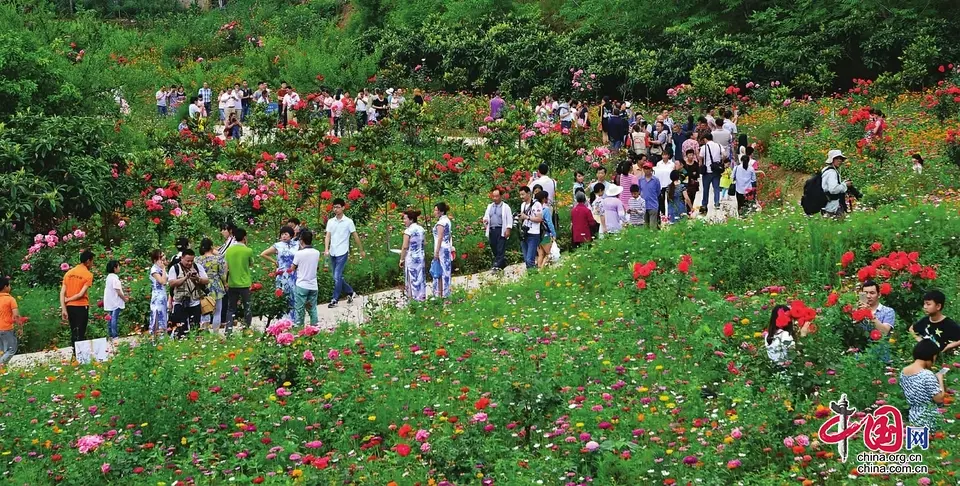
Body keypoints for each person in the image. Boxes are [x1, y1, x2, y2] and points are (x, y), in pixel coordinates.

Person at [324, 198, 366, 308]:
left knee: (337, 276)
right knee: (336, 276)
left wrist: (361, 249)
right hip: (333, 251)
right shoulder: (331, 221)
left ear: (343, 208)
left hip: (343, 251)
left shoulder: (348, 222)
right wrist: (326, 249)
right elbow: (328, 235)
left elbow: (355, 235)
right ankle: (351, 292)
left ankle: (335, 299)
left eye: (338, 207)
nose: (336, 209)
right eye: (334, 207)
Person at [900, 339, 947, 430]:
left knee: (918, 443)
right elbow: (939, 399)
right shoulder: (926, 374)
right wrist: (940, 378)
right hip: (929, 418)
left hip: (914, 416)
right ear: (931, 356)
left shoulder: (904, 372)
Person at [168, 249, 209, 339]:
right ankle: (182, 341)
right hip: (180, 302)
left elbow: (206, 280)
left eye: (191, 260)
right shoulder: (175, 268)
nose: (190, 263)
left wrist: (197, 278)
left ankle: (194, 342)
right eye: (188, 261)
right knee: (181, 327)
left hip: (195, 301)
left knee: (195, 326)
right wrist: (185, 278)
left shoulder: (197, 267)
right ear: (182, 258)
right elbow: (171, 283)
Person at [261, 226, 299, 321]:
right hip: (282, 273)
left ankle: (294, 318)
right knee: (283, 294)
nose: (284, 236)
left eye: (286, 234)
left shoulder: (297, 244)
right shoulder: (278, 245)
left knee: (294, 294)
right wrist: (274, 261)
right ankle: (283, 319)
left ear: (291, 235)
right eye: (282, 234)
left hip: (294, 273)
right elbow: (263, 254)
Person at [908, 289, 960, 354]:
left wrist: (949, 346)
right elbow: (911, 329)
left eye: (928, 304)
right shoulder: (925, 321)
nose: (925, 307)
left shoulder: (948, 324)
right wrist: (919, 340)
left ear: (938, 306)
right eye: (924, 304)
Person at [60, 250, 94, 346]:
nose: (92, 264)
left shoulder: (69, 273)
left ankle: (75, 355)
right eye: (92, 261)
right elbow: (81, 294)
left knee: (74, 331)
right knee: (81, 332)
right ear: (88, 261)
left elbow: (62, 292)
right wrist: (68, 299)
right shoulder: (88, 275)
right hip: (81, 306)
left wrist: (64, 308)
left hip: (70, 308)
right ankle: (81, 356)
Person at [225, 228, 254, 335]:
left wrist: (225, 281)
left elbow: (226, 267)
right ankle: (246, 329)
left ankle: (228, 331)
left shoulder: (229, 251)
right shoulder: (248, 250)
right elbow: (251, 264)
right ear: (244, 237)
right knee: (247, 306)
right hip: (245, 283)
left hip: (232, 283)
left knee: (231, 308)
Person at [291, 229, 321, 325]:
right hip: (313, 285)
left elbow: (293, 268)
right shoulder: (317, 252)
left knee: (300, 309)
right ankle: (314, 327)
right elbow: (317, 267)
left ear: (301, 240)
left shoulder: (299, 254)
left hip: (302, 284)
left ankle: (299, 327)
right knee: (312, 308)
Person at [197, 238, 227, 332]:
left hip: (202, 286)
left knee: (204, 310)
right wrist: (225, 283)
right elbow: (222, 274)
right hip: (216, 286)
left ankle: (204, 331)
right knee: (217, 311)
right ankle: (215, 332)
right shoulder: (217, 259)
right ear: (211, 247)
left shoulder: (197, 259)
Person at [482, 188, 512, 273]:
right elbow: (486, 216)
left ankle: (496, 266)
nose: (495, 198)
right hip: (492, 229)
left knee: (500, 248)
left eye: (497, 196)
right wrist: (485, 220)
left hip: (501, 229)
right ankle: (502, 263)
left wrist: (508, 229)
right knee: (493, 246)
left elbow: (509, 219)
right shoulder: (490, 206)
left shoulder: (505, 207)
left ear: (501, 196)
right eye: (493, 196)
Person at [399, 211, 427, 301]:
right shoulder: (421, 229)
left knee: (411, 278)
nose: (404, 221)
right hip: (420, 256)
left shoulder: (408, 231)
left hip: (411, 257)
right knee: (420, 277)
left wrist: (401, 259)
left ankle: (413, 298)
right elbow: (424, 242)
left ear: (411, 219)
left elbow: (405, 246)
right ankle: (421, 297)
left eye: (405, 219)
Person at [430, 202, 455, 298]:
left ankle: (440, 293)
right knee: (445, 270)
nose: (434, 212)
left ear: (441, 211)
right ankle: (444, 292)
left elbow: (439, 237)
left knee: (440, 270)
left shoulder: (441, 223)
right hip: (446, 247)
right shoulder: (447, 220)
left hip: (441, 248)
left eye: (436, 210)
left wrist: (436, 252)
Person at [518, 186, 543, 269]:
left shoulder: (537, 204)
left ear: (529, 193)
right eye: (520, 195)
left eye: (523, 194)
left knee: (530, 260)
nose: (521, 197)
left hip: (533, 234)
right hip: (524, 233)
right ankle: (531, 278)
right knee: (526, 260)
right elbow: (523, 218)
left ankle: (534, 276)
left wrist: (527, 217)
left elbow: (539, 219)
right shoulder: (523, 205)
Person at [699, 132, 725, 214]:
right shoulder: (719, 145)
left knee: (705, 189)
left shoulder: (704, 147)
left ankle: (704, 204)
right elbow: (724, 154)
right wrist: (721, 161)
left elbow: (700, 157)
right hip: (716, 170)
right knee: (716, 188)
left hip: (707, 171)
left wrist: (701, 165)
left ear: (706, 139)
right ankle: (717, 203)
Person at [147, 250, 169, 344]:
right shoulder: (154, 269)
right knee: (158, 316)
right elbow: (162, 281)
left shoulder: (159, 268)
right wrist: (163, 268)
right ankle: (157, 339)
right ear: (156, 259)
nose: (164, 257)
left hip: (163, 295)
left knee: (164, 315)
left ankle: (162, 338)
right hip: (157, 296)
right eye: (162, 256)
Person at [103, 260, 128, 342]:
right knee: (114, 318)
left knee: (110, 318)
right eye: (118, 266)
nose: (119, 268)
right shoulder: (115, 279)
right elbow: (118, 291)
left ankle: (110, 334)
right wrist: (124, 299)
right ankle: (115, 335)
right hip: (115, 301)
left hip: (110, 301)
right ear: (115, 268)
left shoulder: (108, 278)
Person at [821, 149, 849, 219]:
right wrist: (845, 185)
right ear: (832, 160)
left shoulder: (825, 170)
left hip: (825, 204)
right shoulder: (832, 172)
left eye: (841, 159)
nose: (839, 160)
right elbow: (833, 189)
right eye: (837, 158)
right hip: (833, 206)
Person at [0, 276, 20, 365]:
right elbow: (15, 315)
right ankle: (1, 366)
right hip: (7, 328)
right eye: (9, 285)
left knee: (1, 351)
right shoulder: (10, 299)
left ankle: (3, 370)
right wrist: (20, 327)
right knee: (11, 349)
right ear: (5, 287)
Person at [535, 191, 557, 268]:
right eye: (546, 197)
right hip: (545, 234)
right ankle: (542, 271)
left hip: (536, 234)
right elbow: (549, 223)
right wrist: (554, 234)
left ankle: (538, 269)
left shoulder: (534, 209)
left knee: (541, 254)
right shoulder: (545, 209)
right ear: (543, 199)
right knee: (549, 253)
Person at [638, 162, 661, 230]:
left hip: (653, 205)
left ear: (651, 169)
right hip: (643, 206)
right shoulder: (640, 180)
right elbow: (639, 191)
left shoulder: (656, 180)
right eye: (645, 168)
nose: (646, 170)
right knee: (645, 226)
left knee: (653, 226)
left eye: (648, 168)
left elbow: (658, 191)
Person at [654, 151, 675, 216]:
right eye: (663, 155)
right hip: (661, 183)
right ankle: (662, 214)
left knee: (670, 199)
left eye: (666, 155)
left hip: (669, 183)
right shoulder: (659, 164)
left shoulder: (672, 164)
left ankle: (670, 214)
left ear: (668, 156)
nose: (664, 156)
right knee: (661, 200)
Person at [681, 149, 700, 214]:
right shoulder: (684, 164)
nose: (691, 156)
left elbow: (697, 174)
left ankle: (689, 211)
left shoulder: (695, 164)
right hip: (685, 184)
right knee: (685, 198)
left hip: (693, 185)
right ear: (686, 156)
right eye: (689, 155)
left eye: (692, 155)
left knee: (692, 198)